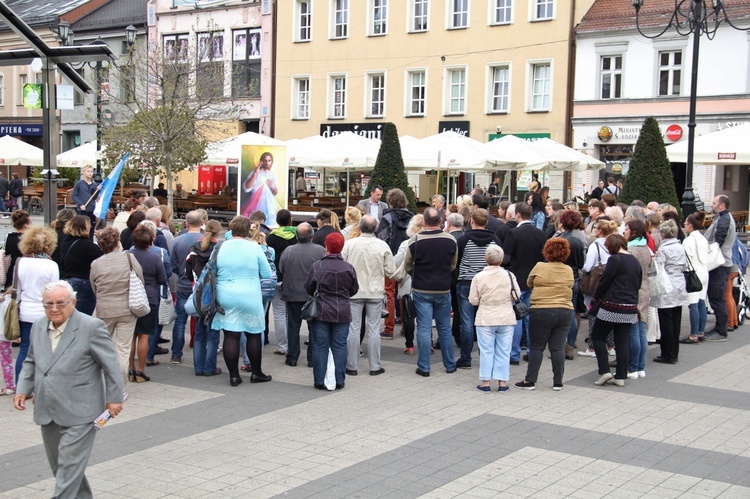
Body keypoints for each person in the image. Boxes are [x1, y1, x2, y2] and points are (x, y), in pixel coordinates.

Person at [14, 281, 123, 499]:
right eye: (48, 304)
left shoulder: (91, 327)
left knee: (68, 469)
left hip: (81, 411)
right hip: (47, 407)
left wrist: (114, 398)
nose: (54, 309)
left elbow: (111, 365)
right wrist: (22, 389)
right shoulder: (38, 326)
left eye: (60, 303)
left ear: (73, 303)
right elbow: (31, 360)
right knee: (63, 469)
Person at [212, 216, 274, 387]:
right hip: (250, 294)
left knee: (231, 335)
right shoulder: (254, 248)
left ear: (231, 229)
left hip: (226, 293)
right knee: (253, 334)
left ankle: (233, 376)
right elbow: (267, 274)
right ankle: (256, 372)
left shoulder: (220, 247)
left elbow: (213, 270)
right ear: (249, 230)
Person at [516, 237, 575, 392]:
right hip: (565, 310)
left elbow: (529, 282)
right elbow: (572, 284)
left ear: (547, 252)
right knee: (557, 348)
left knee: (536, 347)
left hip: (541, 309)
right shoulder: (568, 270)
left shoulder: (540, 267)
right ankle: (558, 382)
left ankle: (530, 380)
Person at [404, 207, 458, 376]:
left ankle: (424, 366)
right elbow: (452, 265)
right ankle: (449, 364)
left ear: (424, 222)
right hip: (443, 287)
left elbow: (407, 266)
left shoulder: (414, 241)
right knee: (444, 328)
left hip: (422, 288)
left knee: (424, 328)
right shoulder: (450, 240)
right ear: (440, 221)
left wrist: (418, 274)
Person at [342, 215, 395, 376]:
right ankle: (375, 366)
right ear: (375, 228)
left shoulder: (350, 244)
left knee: (353, 328)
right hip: (375, 292)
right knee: (373, 329)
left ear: (359, 226)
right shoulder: (382, 245)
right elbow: (391, 271)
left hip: (354, 291)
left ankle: (351, 365)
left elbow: (342, 265)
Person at [90, 227, 143, 385]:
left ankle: (102, 380)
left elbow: (94, 287)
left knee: (103, 347)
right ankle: (119, 385)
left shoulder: (96, 264)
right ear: (117, 242)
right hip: (127, 307)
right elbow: (140, 278)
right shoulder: (129, 258)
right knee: (123, 349)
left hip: (104, 308)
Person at [305, 232, 358, 390]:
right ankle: (339, 379)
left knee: (320, 345)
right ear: (342, 247)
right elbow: (354, 289)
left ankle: (319, 380)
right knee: (340, 346)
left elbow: (308, 287)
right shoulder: (348, 268)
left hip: (321, 310)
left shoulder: (317, 266)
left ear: (326, 246)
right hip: (342, 311)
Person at [590, 234, 642, 387]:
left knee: (598, 336)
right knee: (622, 341)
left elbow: (605, 280)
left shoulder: (615, 259)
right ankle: (620, 375)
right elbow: (638, 283)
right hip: (630, 307)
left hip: (612, 305)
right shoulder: (634, 260)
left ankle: (604, 371)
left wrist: (596, 297)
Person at [469, 245, 518, 392]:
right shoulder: (509, 275)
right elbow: (517, 295)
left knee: (486, 350)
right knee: (504, 350)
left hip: (486, 317)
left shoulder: (478, 277)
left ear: (485, 259)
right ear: (501, 260)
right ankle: (502, 383)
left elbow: (473, 300)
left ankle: (485, 383)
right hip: (506, 316)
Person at [455, 209, 500, 369]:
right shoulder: (494, 240)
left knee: (466, 322)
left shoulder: (463, 239)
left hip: (466, 283)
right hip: (488, 284)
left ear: (471, 221)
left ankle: (466, 358)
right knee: (485, 322)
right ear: (486, 222)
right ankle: (485, 356)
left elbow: (456, 262)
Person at [14, 226, 59, 383]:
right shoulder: (51, 265)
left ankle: (21, 384)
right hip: (44, 313)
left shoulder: (20, 262)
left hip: (25, 311)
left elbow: (17, 291)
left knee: (25, 349)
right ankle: (40, 384)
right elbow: (54, 292)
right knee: (45, 351)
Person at [503, 202, 546, 365]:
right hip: (534, 280)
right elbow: (543, 258)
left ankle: (514, 353)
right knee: (530, 318)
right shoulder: (540, 234)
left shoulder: (513, 233)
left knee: (517, 317)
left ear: (518, 215)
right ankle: (530, 351)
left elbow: (505, 258)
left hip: (517, 281)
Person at [278, 223, 326, 367]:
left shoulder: (288, 250)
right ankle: (312, 358)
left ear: (296, 236)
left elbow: (281, 268)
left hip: (292, 294)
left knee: (293, 326)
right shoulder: (321, 251)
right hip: (313, 295)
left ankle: (292, 357)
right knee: (314, 327)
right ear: (312, 235)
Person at [127, 226, 167, 382]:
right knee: (144, 336)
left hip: (130, 298)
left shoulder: (126, 256)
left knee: (131, 336)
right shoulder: (154, 258)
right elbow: (163, 279)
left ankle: (130, 367)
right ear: (150, 242)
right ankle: (141, 371)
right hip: (149, 299)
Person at [185, 220, 223, 377]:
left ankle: (198, 368)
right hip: (214, 294)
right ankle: (209, 367)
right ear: (218, 232)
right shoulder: (219, 249)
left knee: (200, 333)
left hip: (198, 293)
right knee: (213, 334)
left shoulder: (194, 248)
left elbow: (187, 272)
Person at [376, 188, 414, 338]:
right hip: (408, 257)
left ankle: (389, 328)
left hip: (390, 258)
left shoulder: (387, 218)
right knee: (405, 294)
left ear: (390, 201)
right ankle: (406, 326)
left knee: (390, 293)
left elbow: (381, 238)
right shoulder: (412, 217)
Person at [651, 219, 688, 364]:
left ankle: (668, 353)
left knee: (665, 320)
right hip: (679, 282)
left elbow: (658, 267)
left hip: (667, 284)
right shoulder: (680, 247)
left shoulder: (664, 249)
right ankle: (674, 352)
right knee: (676, 320)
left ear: (662, 234)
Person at [169, 211, 204, 364]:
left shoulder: (178, 241)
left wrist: (183, 273)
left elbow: (173, 264)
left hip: (183, 284)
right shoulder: (206, 240)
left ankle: (176, 353)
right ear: (202, 222)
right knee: (201, 320)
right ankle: (200, 353)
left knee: (180, 321)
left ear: (186, 223)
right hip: (201, 286)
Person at [579, 219, 617, 357]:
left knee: (593, 314)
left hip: (596, 283)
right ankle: (611, 346)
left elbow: (588, 267)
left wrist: (582, 269)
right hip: (611, 283)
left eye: (595, 227)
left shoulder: (595, 245)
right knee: (609, 315)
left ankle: (592, 347)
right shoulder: (615, 243)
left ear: (600, 231)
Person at [704, 195, 736, 342]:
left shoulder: (724, 219)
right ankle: (719, 327)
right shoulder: (723, 218)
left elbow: (718, 241)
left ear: (721, 206)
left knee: (717, 296)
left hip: (720, 264)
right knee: (716, 296)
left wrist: (709, 252)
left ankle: (721, 331)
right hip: (721, 262)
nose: (712, 204)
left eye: (714, 202)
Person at [56, 215, 103, 316]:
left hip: (68, 280)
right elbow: (101, 263)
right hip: (84, 282)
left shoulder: (65, 242)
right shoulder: (88, 246)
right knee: (83, 316)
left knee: (70, 313)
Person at [623, 219, 652, 379]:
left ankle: (632, 367)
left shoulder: (631, 249)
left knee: (633, 330)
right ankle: (640, 366)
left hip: (634, 290)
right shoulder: (645, 248)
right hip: (644, 288)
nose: (624, 231)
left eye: (626, 229)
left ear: (633, 231)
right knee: (641, 329)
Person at [266, 209, 297, 356]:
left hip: (277, 278)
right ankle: (293, 344)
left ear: (277, 221)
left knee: (279, 313)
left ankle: (282, 346)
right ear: (290, 220)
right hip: (294, 279)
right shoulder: (297, 236)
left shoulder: (271, 238)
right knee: (292, 313)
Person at [557, 210, 587, 360]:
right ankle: (570, 345)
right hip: (574, 278)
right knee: (573, 312)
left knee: (558, 312)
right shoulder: (578, 241)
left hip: (559, 278)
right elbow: (582, 263)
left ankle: (559, 344)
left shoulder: (558, 240)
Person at [681, 212, 710, 344]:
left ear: (690, 225)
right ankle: (700, 332)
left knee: (693, 304)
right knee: (701, 303)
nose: (684, 226)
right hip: (704, 271)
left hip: (694, 273)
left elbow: (686, 259)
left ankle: (693, 335)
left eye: (686, 224)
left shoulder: (688, 240)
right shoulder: (703, 238)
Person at [241, 152, 280, 224]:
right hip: (256, 203)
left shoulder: (272, 174)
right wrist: (255, 173)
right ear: (261, 161)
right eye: (265, 160)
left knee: (269, 224)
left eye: (269, 160)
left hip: (269, 205)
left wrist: (272, 187)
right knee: (256, 223)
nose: (267, 163)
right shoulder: (255, 172)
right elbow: (246, 188)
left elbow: (275, 192)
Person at [3, 209, 31, 289]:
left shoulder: (8, 237)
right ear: (26, 225)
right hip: (25, 269)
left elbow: (7, 252)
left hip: (12, 268)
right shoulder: (28, 238)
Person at [71, 165, 101, 237]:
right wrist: (80, 204)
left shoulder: (94, 185)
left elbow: (95, 197)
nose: (90, 173)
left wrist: (98, 191)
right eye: (88, 171)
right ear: (84, 172)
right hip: (82, 209)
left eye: (91, 171)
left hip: (91, 209)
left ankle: (90, 241)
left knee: (91, 227)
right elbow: (73, 195)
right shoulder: (79, 184)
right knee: (82, 227)